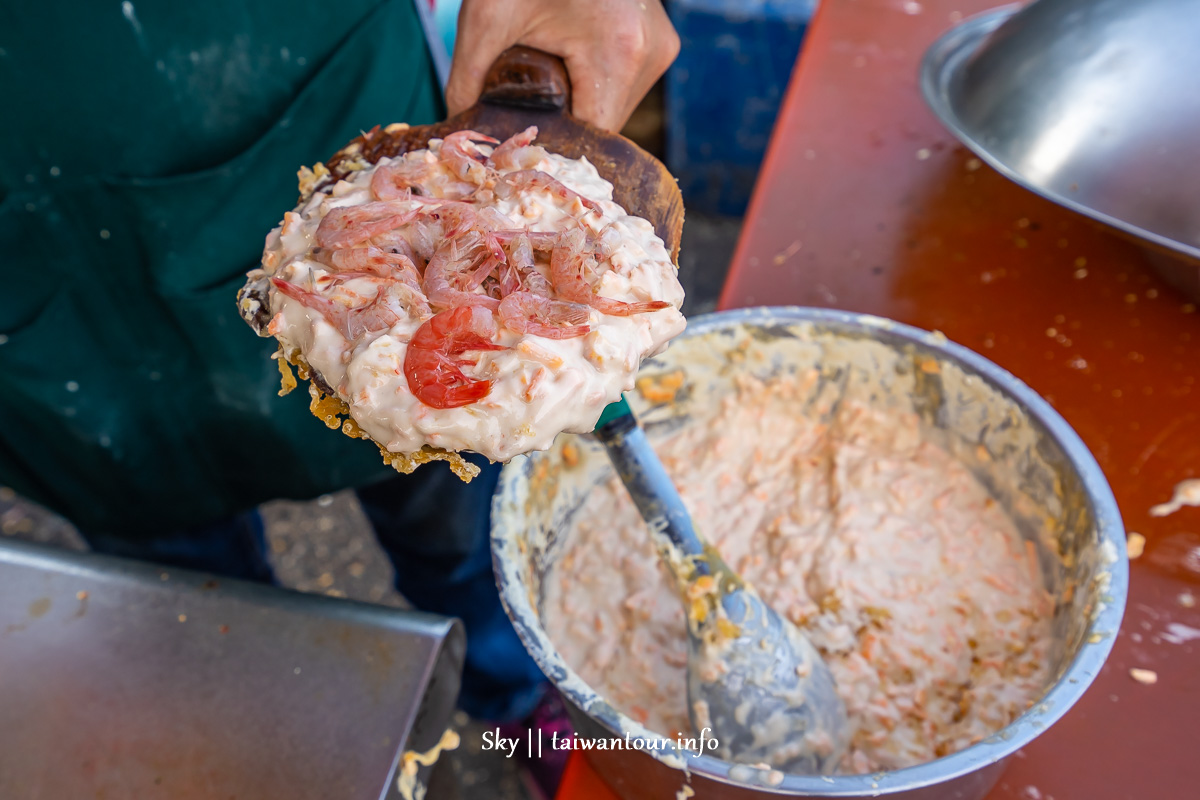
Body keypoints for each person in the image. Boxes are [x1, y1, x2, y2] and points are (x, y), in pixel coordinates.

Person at [0, 0, 678, 794]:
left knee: (453, 523)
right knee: (170, 582)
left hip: (300, 86)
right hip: (36, 273)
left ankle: (513, 695)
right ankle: (247, 725)